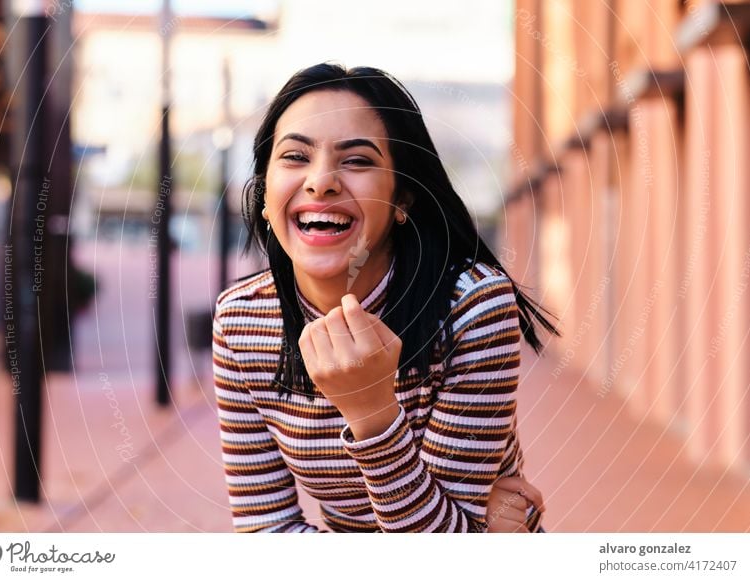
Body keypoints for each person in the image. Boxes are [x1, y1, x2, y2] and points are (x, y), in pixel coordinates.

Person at [213, 63, 558, 533]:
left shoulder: (473, 307)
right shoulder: (241, 321)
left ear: (403, 199)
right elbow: (265, 531)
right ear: (266, 199)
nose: (321, 181)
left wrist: (372, 413)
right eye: (295, 156)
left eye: (357, 160)